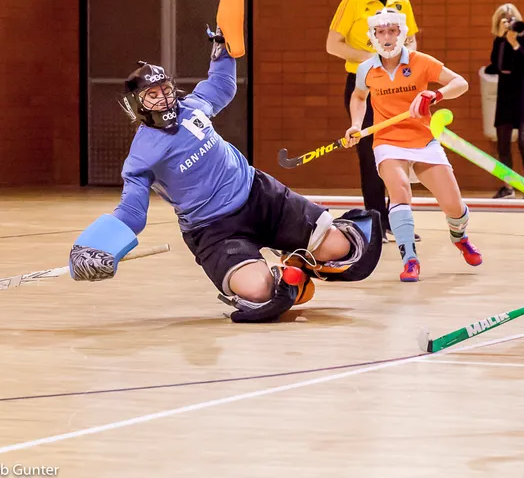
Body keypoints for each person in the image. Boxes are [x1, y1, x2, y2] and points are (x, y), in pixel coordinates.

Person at [68, 22, 382, 324]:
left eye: (165, 89)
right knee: (262, 294)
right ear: (138, 105)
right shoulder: (141, 156)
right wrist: (95, 247)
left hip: (259, 195)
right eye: (153, 95)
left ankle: (299, 256)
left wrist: (223, 47)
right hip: (214, 230)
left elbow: (221, 84)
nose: (163, 98)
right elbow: (132, 212)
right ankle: (281, 276)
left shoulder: (194, 106)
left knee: (349, 250)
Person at [346, 8, 482, 282]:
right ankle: (410, 259)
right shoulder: (366, 69)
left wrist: (435, 94)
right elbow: (359, 98)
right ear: (373, 36)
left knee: (454, 206)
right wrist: (356, 125)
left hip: (424, 139)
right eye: (380, 32)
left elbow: (461, 83)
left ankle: (460, 236)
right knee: (400, 192)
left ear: (401, 33)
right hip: (387, 142)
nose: (386, 37)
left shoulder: (421, 62)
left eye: (392, 31)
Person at [327, 0, 420, 241]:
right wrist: (371, 55)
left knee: (398, 152)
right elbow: (333, 44)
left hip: (395, 87)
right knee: (369, 155)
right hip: (362, 85)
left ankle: (397, 219)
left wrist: (404, 61)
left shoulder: (401, 1)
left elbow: (413, 40)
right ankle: (377, 222)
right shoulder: (352, 1)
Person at [485, 3, 524, 199]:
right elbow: (496, 65)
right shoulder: (499, 42)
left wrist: (514, 42)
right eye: (504, 20)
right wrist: (504, 40)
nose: (508, 23)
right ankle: (507, 187)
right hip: (506, 94)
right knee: (503, 143)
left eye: (511, 19)